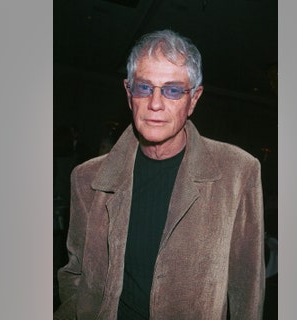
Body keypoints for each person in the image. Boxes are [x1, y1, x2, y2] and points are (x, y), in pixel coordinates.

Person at [55, 29, 265, 319]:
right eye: (144, 88)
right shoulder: (87, 177)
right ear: (129, 94)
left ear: (193, 99)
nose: (155, 103)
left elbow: (247, 287)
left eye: (173, 90)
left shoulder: (238, 171)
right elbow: (75, 272)